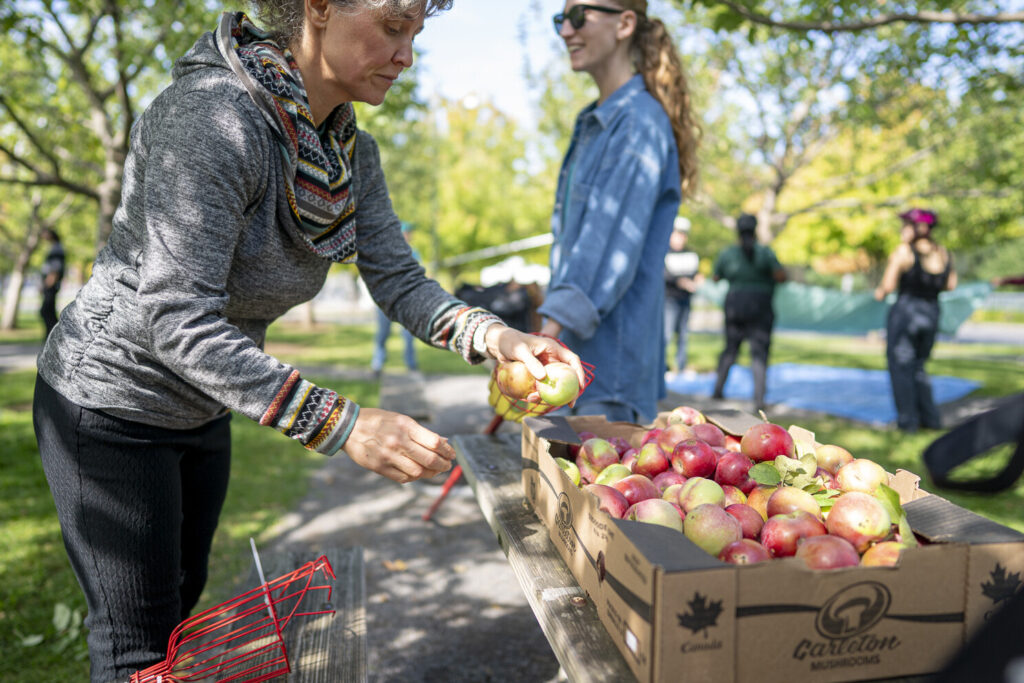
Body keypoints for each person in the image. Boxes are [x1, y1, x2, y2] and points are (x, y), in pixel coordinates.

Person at [30, 3, 585, 680]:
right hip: (110, 404)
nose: (407, 53)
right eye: (392, 24)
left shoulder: (350, 153)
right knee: (136, 650)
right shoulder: (210, 118)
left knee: (175, 614)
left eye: (417, 32)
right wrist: (343, 423)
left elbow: (400, 280)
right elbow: (174, 318)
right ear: (319, 8)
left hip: (202, 406)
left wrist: (495, 335)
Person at [538, 0, 700, 423]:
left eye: (578, 17)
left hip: (607, 372)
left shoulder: (638, 123)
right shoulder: (593, 119)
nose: (565, 32)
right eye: (560, 19)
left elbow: (605, 248)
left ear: (625, 23)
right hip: (573, 363)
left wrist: (541, 340)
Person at [874, 207, 957, 432]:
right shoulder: (943, 252)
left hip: (906, 314)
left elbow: (888, 286)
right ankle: (931, 420)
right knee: (918, 368)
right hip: (931, 314)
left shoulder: (904, 252)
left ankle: (908, 424)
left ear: (918, 228)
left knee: (901, 367)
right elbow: (950, 285)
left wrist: (879, 292)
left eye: (906, 225)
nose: (902, 229)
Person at [711, 213, 787, 412]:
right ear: (755, 230)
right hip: (760, 305)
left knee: (730, 349)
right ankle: (759, 400)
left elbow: (716, 277)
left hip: (735, 304)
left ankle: (717, 390)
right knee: (759, 353)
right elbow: (781, 276)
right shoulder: (765, 252)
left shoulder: (728, 254)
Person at [371, 221, 419, 378]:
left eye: (409, 233)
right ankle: (377, 364)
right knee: (382, 334)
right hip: (385, 300)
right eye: (405, 232)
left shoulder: (414, 253)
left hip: (406, 301)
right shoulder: (386, 251)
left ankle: (411, 365)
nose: (408, 236)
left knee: (408, 336)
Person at [663, 216, 703, 377]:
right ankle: (663, 368)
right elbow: (664, 275)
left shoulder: (690, 254)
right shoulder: (664, 252)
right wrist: (680, 281)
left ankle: (681, 365)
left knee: (683, 334)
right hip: (669, 300)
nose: (680, 237)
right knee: (666, 334)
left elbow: (695, 274)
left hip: (685, 300)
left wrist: (696, 281)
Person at [38, 228, 65, 338]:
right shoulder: (54, 247)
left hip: (51, 285)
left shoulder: (57, 248)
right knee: (49, 311)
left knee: (46, 311)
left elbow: (55, 269)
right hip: (49, 285)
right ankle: (52, 336)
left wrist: (47, 285)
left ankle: (53, 335)